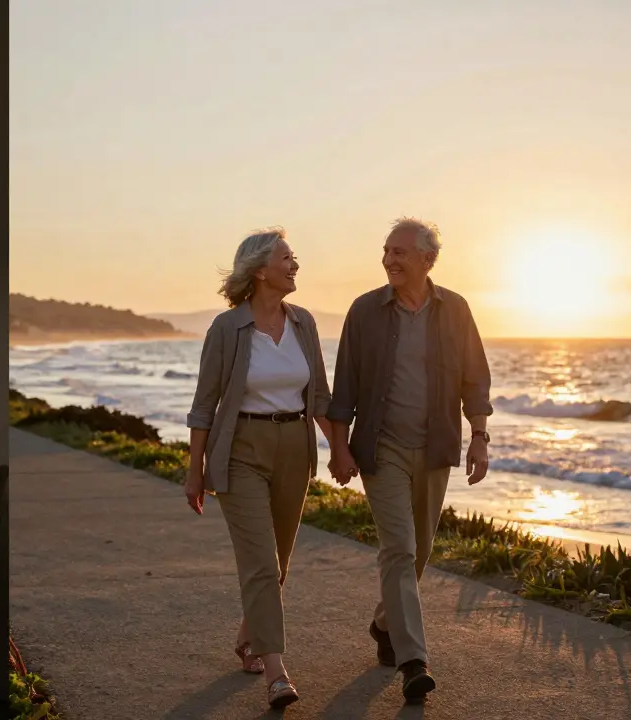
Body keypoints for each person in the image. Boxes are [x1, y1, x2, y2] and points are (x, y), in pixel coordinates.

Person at [326, 217, 492, 703]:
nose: (389, 259)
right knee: (398, 549)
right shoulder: (364, 311)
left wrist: (479, 436)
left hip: (436, 447)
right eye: (386, 250)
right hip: (382, 448)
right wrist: (338, 447)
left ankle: (384, 624)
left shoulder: (456, 310)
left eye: (399, 252)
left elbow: (474, 380)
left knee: (418, 552)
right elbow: (345, 390)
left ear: (427, 259)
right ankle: (413, 660)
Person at [185, 227, 336, 711]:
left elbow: (321, 398)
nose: (295, 266)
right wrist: (194, 471)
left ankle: (250, 636)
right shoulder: (226, 329)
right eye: (288, 258)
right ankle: (276, 672)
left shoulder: (304, 323)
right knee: (261, 563)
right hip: (241, 447)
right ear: (259, 270)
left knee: (279, 563)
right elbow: (204, 405)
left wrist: (342, 450)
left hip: (295, 445)